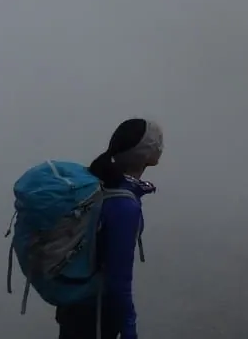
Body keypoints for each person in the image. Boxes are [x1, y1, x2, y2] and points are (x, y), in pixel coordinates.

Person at [55, 118, 162, 339]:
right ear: (145, 153)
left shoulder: (103, 185)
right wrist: (129, 328)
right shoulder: (124, 204)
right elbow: (118, 278)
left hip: (74, 305)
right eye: (158, 141)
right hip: (95, 314)